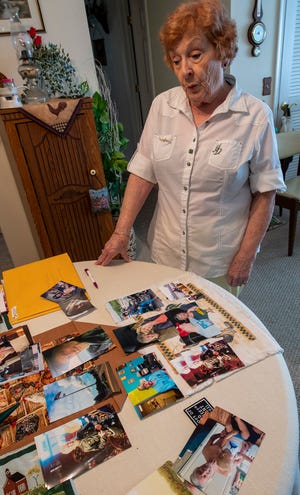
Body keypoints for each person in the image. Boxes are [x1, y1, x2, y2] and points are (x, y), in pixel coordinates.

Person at [96, 0, 285, 295]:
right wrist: (121, 232)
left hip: (219, 263)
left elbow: (265, 192)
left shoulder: (255, 116)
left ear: (222, 54)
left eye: (195, 56)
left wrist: (246, 256)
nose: (185, 70)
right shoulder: (162, 106)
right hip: (164, 255)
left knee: (218, 337)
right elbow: (143, 172)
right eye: (176, 60)